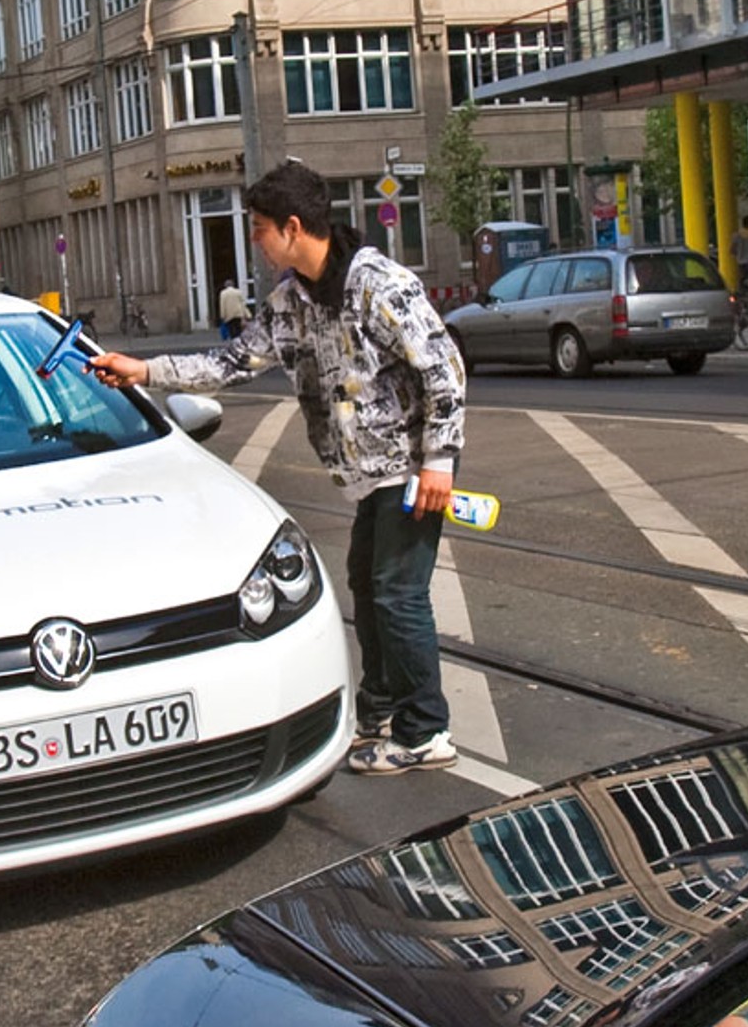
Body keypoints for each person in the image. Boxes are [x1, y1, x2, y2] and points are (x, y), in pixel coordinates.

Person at [89, 160, 467, 775]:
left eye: (261, 229)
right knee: (367, 588)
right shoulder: (292, 301)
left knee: (398, 596)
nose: (256, 242)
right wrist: (145, 371)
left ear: (294, 228)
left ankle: (426, 730)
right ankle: (380, 708)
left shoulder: (379, 285)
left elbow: (442, 369)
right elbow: (234, 361)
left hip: (409, 464)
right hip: (368, 473)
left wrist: (439, 461)